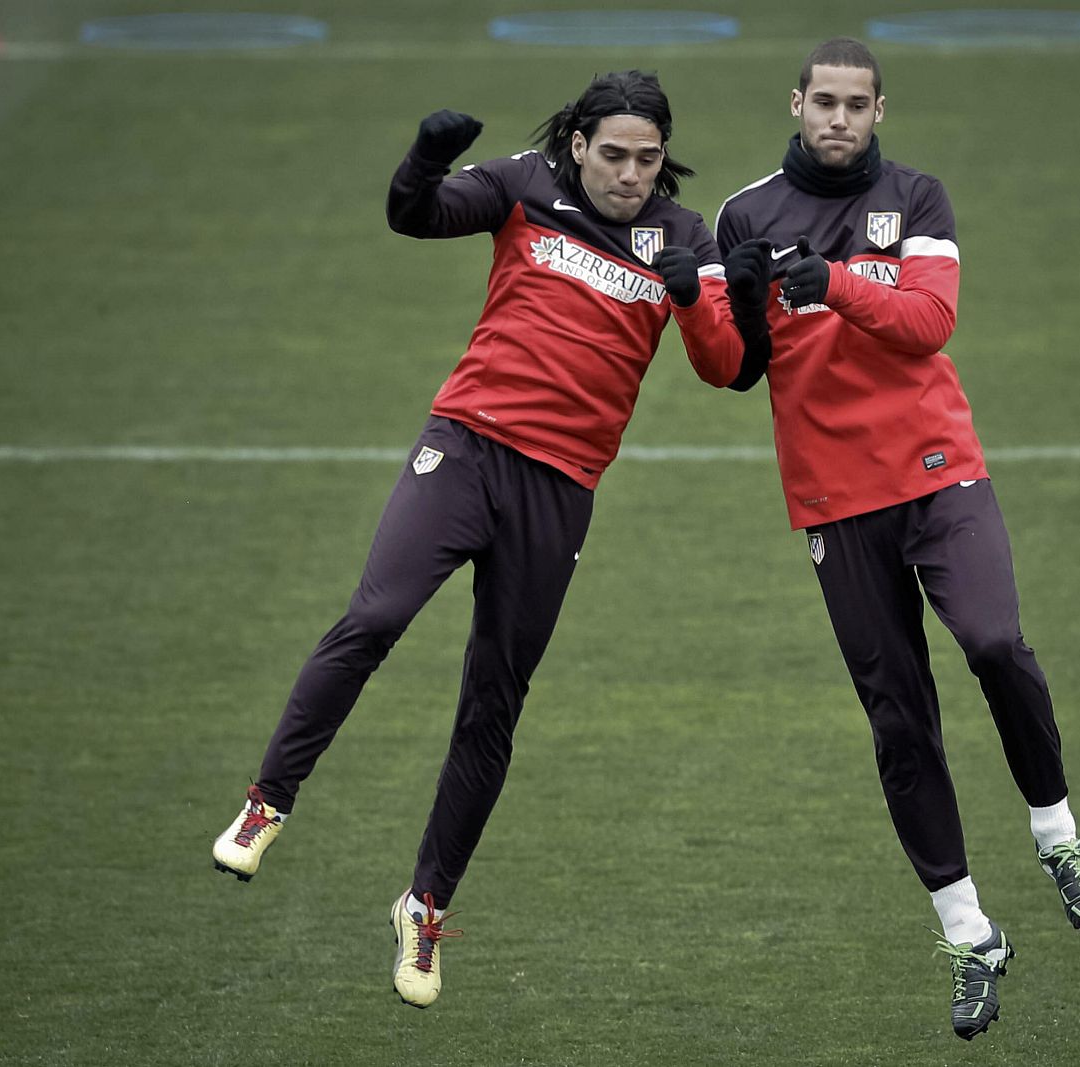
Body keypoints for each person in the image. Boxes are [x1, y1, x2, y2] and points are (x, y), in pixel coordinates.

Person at [210, 70, 751, 1010]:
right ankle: (268, 802)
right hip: (464, 448)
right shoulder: (522, 184)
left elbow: (729, 367)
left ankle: (424, 907)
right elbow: (414, 216)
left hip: (561, 491)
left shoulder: (685, 236)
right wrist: (424, 156)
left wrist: (693, 298)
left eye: (648, 159)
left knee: (495, 697)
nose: (630, 175)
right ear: (578, 144)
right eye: (614, 154)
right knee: (373, 618)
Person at [713, 37, 1080, 1040]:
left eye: (858, 104)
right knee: (898, 719)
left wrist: (830, 283)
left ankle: (1057, 833)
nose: (839, 119)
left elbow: (929, 320)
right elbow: (730, 365)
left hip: (940, 471)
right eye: (824, 102)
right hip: (833, 499)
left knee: (992, 642)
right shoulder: (743, 214)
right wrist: (695, 294)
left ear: (879, 110)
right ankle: (968, 934)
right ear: (795, 103)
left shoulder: (919, 199)